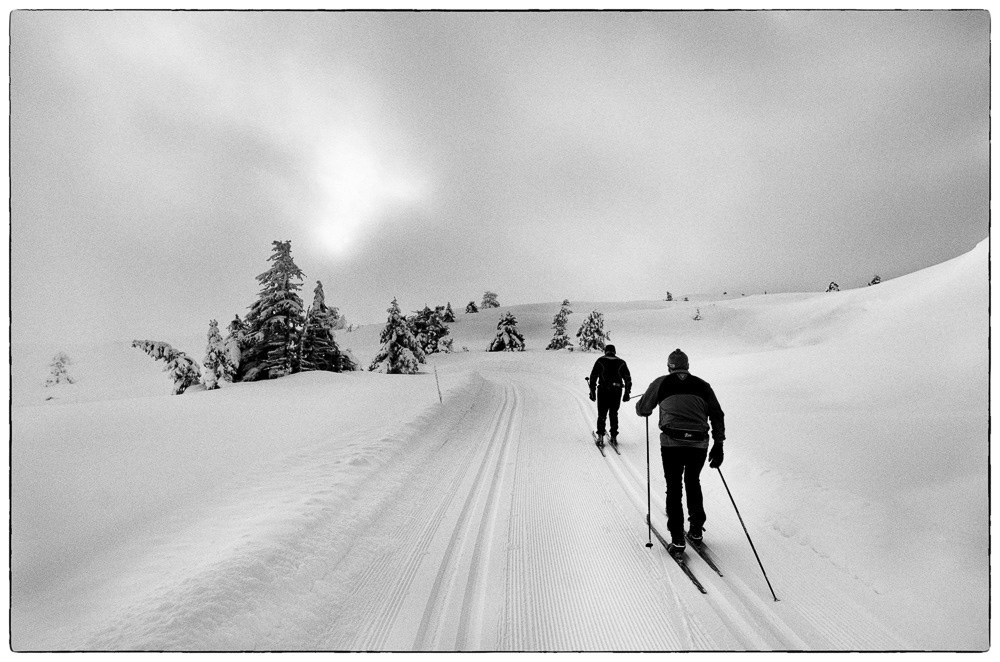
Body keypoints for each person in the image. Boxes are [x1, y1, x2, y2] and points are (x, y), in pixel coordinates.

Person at [635, 348, 725, 556]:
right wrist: (718, 444)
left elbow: (642, 410)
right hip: (699, 444)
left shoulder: (661, 383)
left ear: (669, 367)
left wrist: (648, 403)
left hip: (671, 443)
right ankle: (695, 530)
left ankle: (677, 540)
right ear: (688, 366)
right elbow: (717, 414)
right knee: (693, 482)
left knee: (674, 486)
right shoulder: (703, 386)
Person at [588, 344, 632, 447]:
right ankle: (613, 437)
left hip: (603, 391)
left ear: (605, 351)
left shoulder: (600, 361)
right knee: (613, 413)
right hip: (616, 391)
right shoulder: (621, 362)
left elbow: (593, 377)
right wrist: (627, 393)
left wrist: (592, 392)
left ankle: (600, 437)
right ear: (614, 351)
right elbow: (628, 379)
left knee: (602, 414)